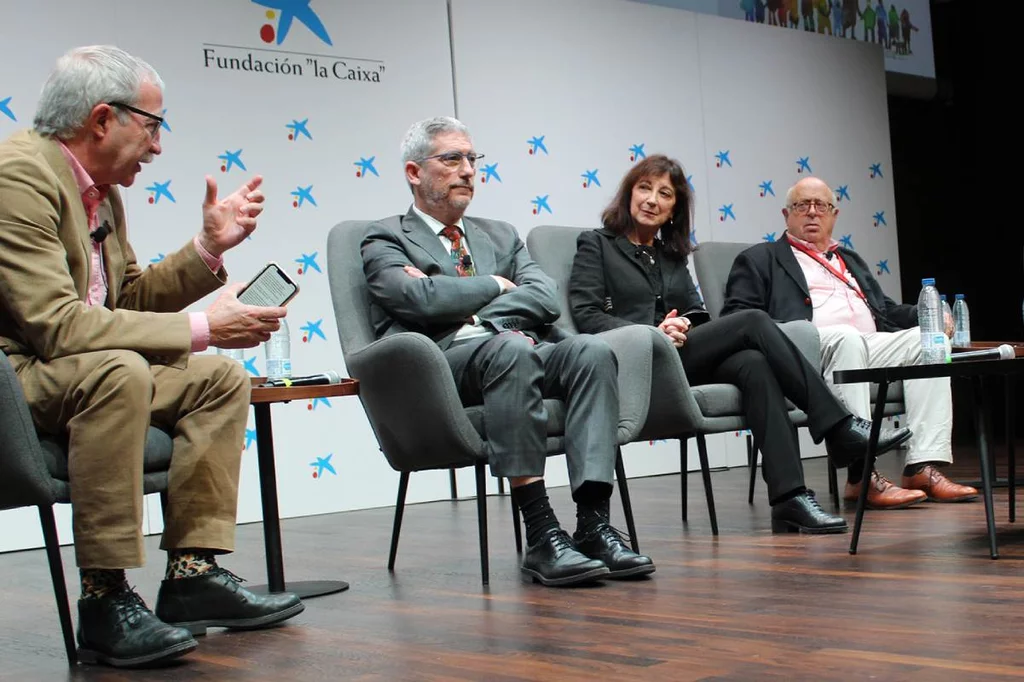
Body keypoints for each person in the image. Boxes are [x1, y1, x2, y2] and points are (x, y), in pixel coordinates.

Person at [0, 46, 303, 668]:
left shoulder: (104, 192)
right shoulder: (17, 176)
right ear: (103, 119)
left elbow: (127, 298)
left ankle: (192, 575)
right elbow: (56, 326)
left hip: (81, 368)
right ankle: (104, 598)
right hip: (19, 374)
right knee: (120, 370)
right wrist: (203, 325)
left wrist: (206, 251)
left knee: (216, 376)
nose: (159, 147)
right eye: (154, 125)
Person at [361, 116, 655, 586]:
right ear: (414, 173)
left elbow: (543, 296)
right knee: (511, 352)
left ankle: (594, 525)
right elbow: (414, 299)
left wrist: (478, 313)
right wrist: (496, 283)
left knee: (590, 353)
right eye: (452, 159)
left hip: (508, 342)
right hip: (441, 364)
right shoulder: (384, 237)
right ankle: (541, 534)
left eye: (472, 159)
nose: (468, 171)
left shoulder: (499, 234)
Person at [567, 154, 912, 534]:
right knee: (752, 321)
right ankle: (839, 427)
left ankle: (790, 498)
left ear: (673, 210)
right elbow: (587, 314)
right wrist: (652, 331)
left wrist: (682, 322)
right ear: (629, 194)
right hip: (636, 361)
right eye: (645, 188)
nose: (652, 200)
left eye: (664, 194)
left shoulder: (670, 256)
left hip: (680, 355)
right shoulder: (597, 245)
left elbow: (698, 312)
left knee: (754, 364)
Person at [721, 176, 978, 509]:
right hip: (806, 351)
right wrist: (788, 332)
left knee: (928, 343)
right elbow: (738, 315)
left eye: (821, 206)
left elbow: (884, 310)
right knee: (847, 338)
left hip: (866, 344)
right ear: (786, 215)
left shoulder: (850, 260)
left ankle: (922, 467)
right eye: (802, 205)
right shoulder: (760, 258)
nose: (812, 213)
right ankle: (862, 474)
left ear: (834, 214)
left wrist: (928, 314)